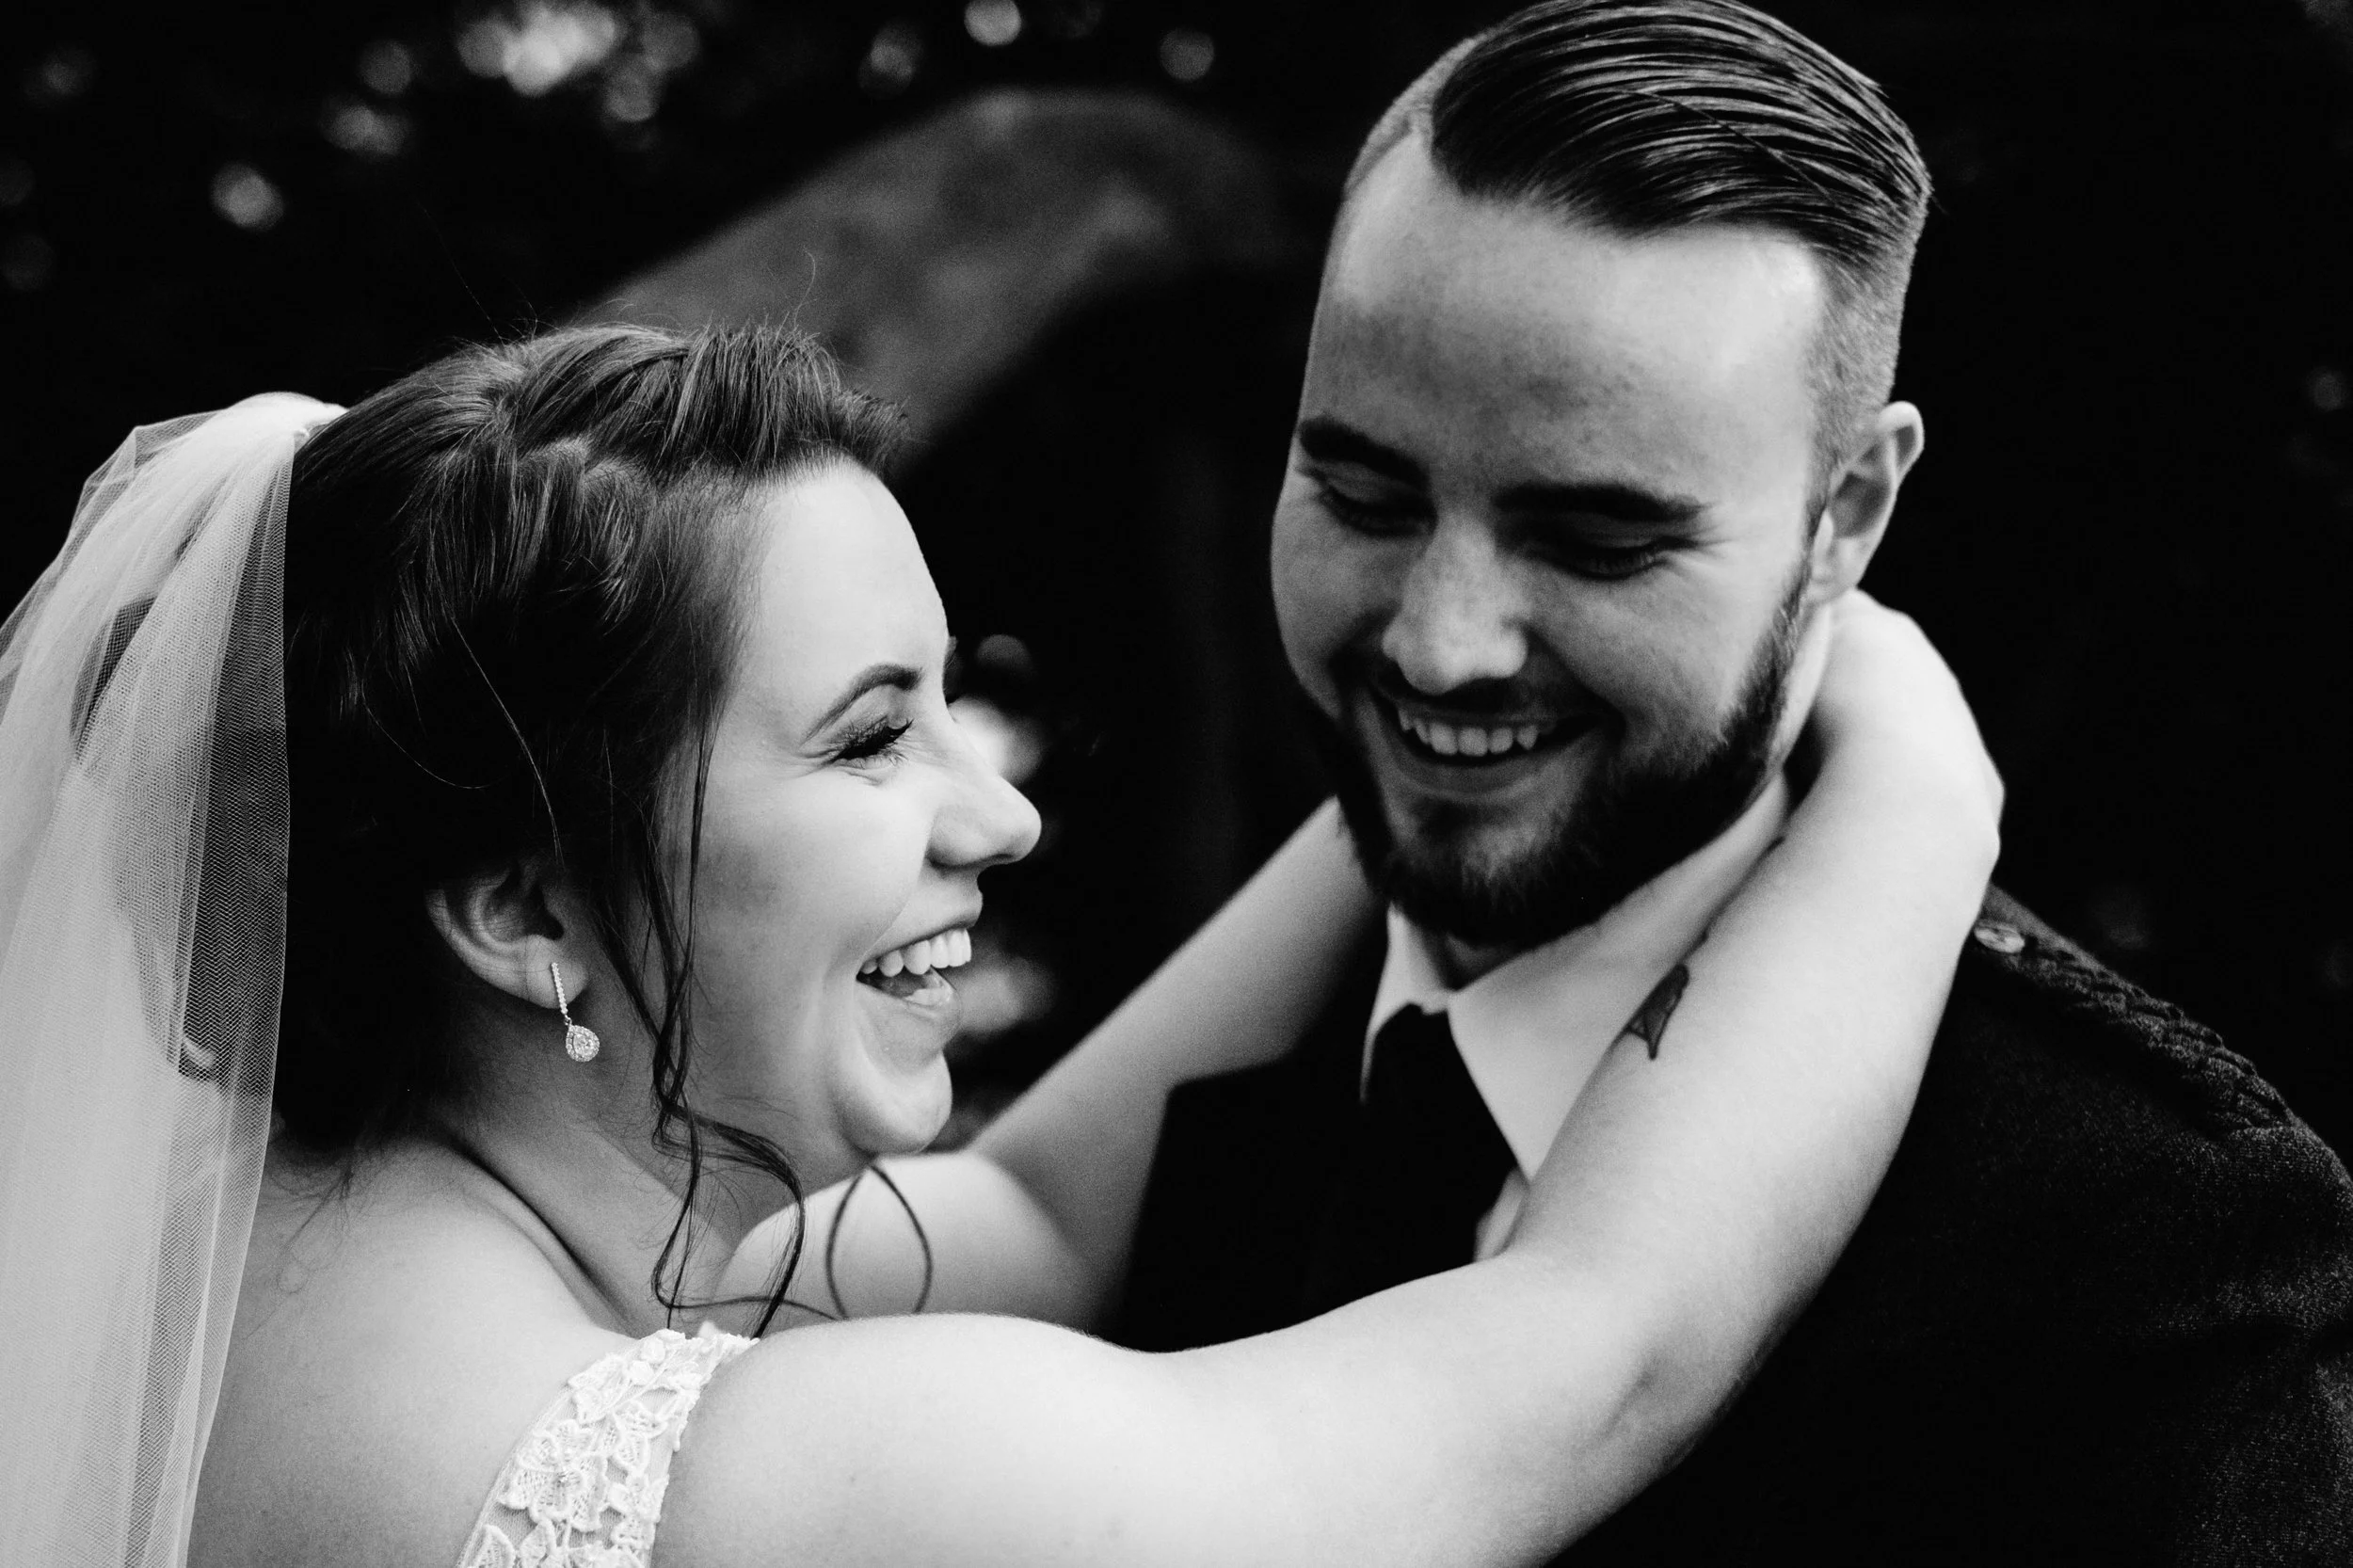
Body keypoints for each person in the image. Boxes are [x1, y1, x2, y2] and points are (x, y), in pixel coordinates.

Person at [0, 323, 2000, 1568]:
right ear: (520, 909)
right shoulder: (752, 1491)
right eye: (874, 733)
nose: (1001, 810)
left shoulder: (240, 1252)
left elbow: (1036, 1205)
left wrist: (1432, 754)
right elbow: (1585, 1354)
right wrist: (1915, 777)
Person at [1088, 2, 2353, 1561]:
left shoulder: (2137, 1231)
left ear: (1850, 513)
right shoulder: (1203, 1069)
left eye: (1596, 540)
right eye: (1362, 491)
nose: (1440, 645)